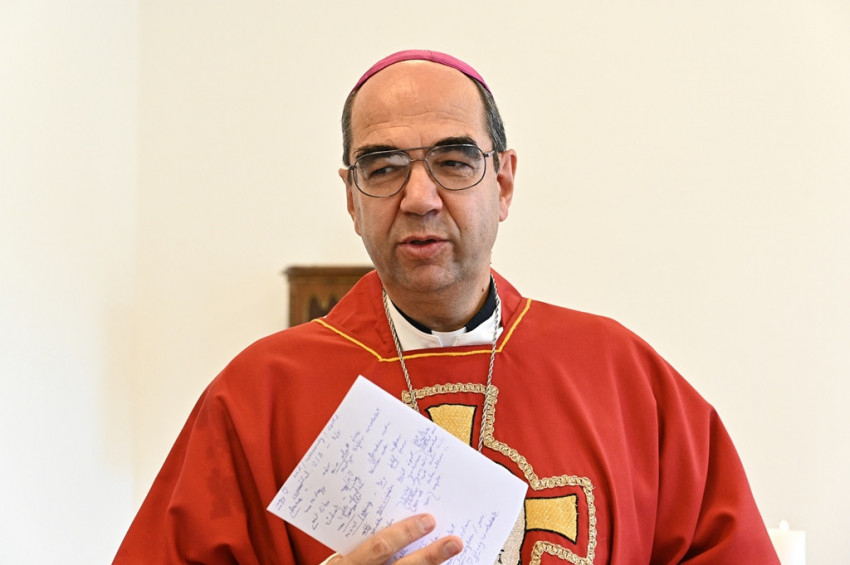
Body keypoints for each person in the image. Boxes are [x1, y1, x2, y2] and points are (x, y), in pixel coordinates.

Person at [114, 50, 779, 564]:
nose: (420, 197)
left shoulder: (623, 376)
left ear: (504, 182)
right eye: (383, 168)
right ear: (351, 199)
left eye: (454, 161)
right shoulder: (257, 396)